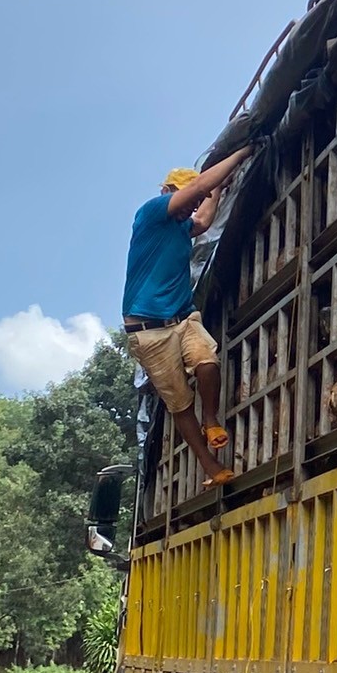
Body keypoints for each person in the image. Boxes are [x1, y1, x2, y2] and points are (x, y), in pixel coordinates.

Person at [121, 150, 252, 487]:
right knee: (179, 403)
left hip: (181, 318)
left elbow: (206, 219)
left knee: (207, 361)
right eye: (186, 197)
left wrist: (219, 188)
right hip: (147, 332)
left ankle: (211, 419)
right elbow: (200, 189)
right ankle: (212, 468)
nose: (191, 206)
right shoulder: (150, 213)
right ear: (168, 192)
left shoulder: (183, 227)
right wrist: (242, 152)